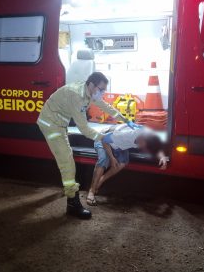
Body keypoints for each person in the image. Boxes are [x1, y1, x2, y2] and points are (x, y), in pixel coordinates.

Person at [37, 72, 137, 219]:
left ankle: (68, 191)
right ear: (92, 85)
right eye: (101, 89)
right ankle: (72, 203)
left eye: (104, 90)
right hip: (51, 124)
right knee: (67, 162)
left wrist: (125, 120)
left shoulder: (88, 91)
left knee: (65, 157)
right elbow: (84, 129)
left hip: (59, 122)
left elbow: (105, 106)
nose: (102, 93)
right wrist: (105, 138)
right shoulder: (76, 96)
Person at [86, 123, 168, 206]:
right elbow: (104, 139)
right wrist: (112, 158)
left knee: (122, 163)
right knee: (104, 159)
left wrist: (162, 157)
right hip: (102, 139)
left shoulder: (149, 135)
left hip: (118, 145)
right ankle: (91, 191)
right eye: (144, 144)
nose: (144, 147)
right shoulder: (126, 134)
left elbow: (156, 147)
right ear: (141, 137)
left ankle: (100, 180)